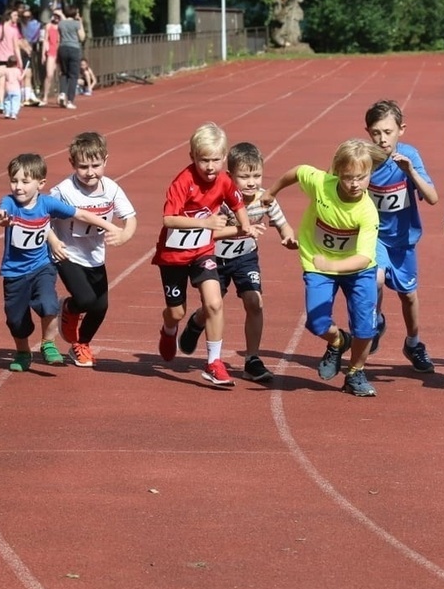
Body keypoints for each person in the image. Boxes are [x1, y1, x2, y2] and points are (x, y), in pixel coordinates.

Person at [262, 139, 389, 396]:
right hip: (317, 264)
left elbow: (364, 258)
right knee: (317, 323)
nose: (354, 184)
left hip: (357, 271)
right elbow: (297, 171)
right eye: (348, 177)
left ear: (370, 174)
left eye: (361, 177)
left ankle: (355, 372)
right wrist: (272, 192)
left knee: (366, 328)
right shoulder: (321, 184)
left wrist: (332, 263)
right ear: (337, 173)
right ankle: (338, 341)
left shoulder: (367, 212)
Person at [176, 142, 296, 383]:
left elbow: (282, 223)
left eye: (257, 175)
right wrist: (240, 229)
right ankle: (197, 321)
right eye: (244, 176)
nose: (252, 182)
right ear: (230, 176)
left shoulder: (265, 200)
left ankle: (252, 359)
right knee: (213, 306)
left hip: (245, 258)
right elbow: (210, 233)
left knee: (255, 302)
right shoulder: (220, 201)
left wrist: (288, 237)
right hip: (214, 258)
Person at [0, 153, 121, 372]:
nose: (18, 187)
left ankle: (48, 343)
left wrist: (110, 226)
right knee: (16, 320)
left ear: (40, 183)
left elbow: (80, 214)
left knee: (49, 304)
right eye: (14, 181)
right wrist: (1, 216)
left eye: (25, 181)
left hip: (42, 266)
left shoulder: (48, 203)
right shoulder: (10, 203)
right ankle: (23, 351)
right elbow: (0, 212)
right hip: (14, 272)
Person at [152, 122, 254, 387]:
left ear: (224, 157)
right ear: (192, 158)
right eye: (203, 160)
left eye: (216, 160)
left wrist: (245, 224)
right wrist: (205, 223)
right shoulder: (183, 182)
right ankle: (169, 329)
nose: (210, 167)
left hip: (202, 252)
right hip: (173, 255)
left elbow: (236, 201)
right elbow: (169, 220)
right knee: (176, 312)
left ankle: (214, 362)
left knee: (214, 302)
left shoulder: (224, 180)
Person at [47, 132, 138, 368]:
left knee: (100, 306)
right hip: (67, 253)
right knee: (85, 299)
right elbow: (42, 218)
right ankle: (68, 307)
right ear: (72, 164)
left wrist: (125, 234)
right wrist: (54, 241)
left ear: (105, 161)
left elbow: (130, 217)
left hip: (94, 255)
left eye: (96, 165)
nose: (90, 172)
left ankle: (81, 344)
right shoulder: (63, 191)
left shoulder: (112, 189)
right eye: (83, 166)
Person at [364, 99, 440, 373]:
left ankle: (414, 343)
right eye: (376, 132)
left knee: (408, 296)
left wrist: (410, 172)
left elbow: (432, 197)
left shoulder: (410, 156)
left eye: (388, 132)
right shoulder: (365, 160)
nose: (382, 139)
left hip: (404, 240)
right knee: (376, 278)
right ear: (367, 132)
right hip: (374, 237)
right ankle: (375, 321)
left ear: (401, 130)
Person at [56, 4, 86, 109]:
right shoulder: (76, 24)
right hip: (73, 48)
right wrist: (80, 22)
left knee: (64, 73)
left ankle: (62, 92)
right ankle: (70, 100)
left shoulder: (61, 23)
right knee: (73, 75)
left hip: (62, 48)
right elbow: (82, 37)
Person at [0, 54, 24, 120]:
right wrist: (22, 76)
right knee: (15, 102)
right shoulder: (17, 70)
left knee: (7, 101)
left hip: (8, 89)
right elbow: (20, 79)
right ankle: (13, 113)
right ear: (16, 63)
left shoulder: (6, 70)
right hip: (16, 89)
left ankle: (7, 113)